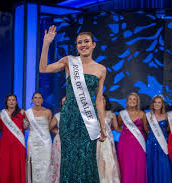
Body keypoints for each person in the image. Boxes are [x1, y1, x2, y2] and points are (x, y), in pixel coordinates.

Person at [39, 25, 107, 183]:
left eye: (86, 41)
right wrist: (46, 43)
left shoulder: (101, 69)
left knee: (87, 160)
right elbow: (43, 69)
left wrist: (102, 126)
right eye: (79, 42)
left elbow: (98, 100)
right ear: (76, 46)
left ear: (93, 44)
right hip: (69, 119)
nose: (83, 45)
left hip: (88, 121)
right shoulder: (69, 61)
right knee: (69, 159)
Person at [117, 92, 147, 183]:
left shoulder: (142, 114)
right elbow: (118, 127)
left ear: (137, 102)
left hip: (139, 143)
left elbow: (146, 129)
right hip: (125, 143)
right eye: (130, 99)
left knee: (138, 164)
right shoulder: (121, 114)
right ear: (127, 102)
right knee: (126, 164)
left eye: (134, 99)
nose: (132, 101)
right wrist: (126, 132)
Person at [24, 92, 53, 183]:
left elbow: (50, 126)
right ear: (32, 100)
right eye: (35, 98)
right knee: (34, 164)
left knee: (46, 163)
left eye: (39, 98)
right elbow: (25, 127)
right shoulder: (27, 112)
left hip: (45, 142)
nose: (37, 100)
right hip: (33, 141)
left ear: (42, 100)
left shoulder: (48, 112)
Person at [144, 95, 172, 183]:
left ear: (162, 104)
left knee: (164, 164)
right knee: (151, 163)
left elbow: (169, 128)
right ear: (152, 104)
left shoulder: (167, 116)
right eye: (155, 102)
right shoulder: (147, 116)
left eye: (159, 102)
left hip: (163, 143)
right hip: (151, 143)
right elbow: (146, 129)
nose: (157, 104)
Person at [0, 94, 26, 183]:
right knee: (5, 165)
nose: (11, 102)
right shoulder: (1, 113)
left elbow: (26, 126)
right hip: (5, 144)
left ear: (16, 102)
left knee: (16, 166)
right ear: (6, 102)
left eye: (13, 100)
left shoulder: (21, 113)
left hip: (18, 144)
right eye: (9, 100)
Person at [96, 94, 121, 183]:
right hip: (97, 142)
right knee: (98, 161)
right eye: (100, 99)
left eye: (104, 99)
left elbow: (116, 128)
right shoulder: (92, 114)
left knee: (109, 161)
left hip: (108, 142)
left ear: (106, 101)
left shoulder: (111, 114)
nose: (102, 101)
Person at [49, 96, 65, 183]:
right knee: (59, 162)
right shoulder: (58, 116)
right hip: (60, 142)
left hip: (72, 142)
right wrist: (58, 132)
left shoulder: (76, 115)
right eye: (63, 101)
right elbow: (50, 127)